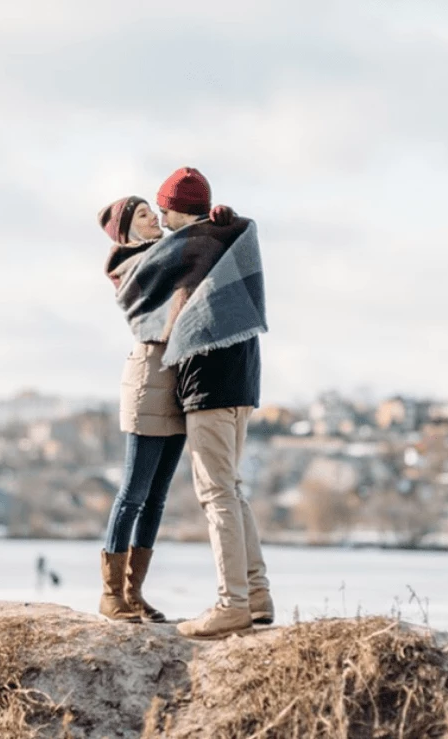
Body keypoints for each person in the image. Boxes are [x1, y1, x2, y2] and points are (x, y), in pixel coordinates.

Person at [154, 167, 274, 639]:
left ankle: (232, 604)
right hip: (241, 382)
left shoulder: (194, 249)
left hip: (211, 383)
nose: (160, 221)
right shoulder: (225, 242)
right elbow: (238, 226)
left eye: (163, 211)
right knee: (232, 490)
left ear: (179, 210)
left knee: (216, 494)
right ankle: (257, 597)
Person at [96, 196, 186, 623]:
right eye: (145, 215)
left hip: (177, 385)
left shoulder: (169, 253)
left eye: (155, 212)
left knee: (157, 499)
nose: (155, 219)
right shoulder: (128, 267)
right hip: (148, 383)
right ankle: (110, 593)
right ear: (128, 230)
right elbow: (159, 312)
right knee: (132, 494)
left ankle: (134, 593)